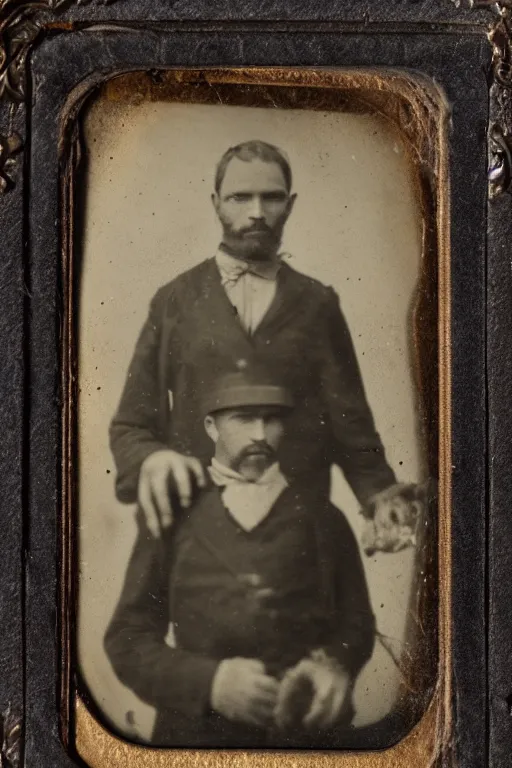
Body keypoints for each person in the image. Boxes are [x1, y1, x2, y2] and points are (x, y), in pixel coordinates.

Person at [110, 139, 415, 540]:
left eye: (270, 198)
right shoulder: (173, 300)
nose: (256, 213)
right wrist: (151, 460)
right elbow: (131, 424)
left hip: (296, 536)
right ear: (217, 202)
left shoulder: (317, 303)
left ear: (289, 205)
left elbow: (350, 423)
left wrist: (380, 498)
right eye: (240, 198)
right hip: (192, 533)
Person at [104, 368, 375, 748]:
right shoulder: (172, 513)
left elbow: (357, 623)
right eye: (244, 419)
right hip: (196, 743)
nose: (260, 435)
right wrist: (211, 683)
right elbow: (127, 640)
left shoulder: (324, 516)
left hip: (306, 740)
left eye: (272, 420)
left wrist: (335, 665)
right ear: (212, 427)